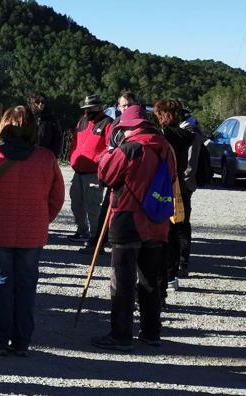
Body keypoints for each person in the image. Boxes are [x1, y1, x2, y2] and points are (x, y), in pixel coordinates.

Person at [0, 106, 64, 357]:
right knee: (26, 285)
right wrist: (42, 219)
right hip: (32, 232)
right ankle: (21, 341)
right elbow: (57, 197)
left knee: (1, 284)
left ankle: (0, 338)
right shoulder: (46, 158)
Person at [92, 105, 176, 352]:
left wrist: (111, 151)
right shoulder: (165, 147)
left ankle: (121, 335)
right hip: (157, 220)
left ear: (128, 127)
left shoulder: (130, 148)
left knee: (123, 281)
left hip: (128, 219)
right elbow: (171, 179)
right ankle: (151, 332)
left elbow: (105, 175)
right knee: (151, 280)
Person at [153, 99, 197, 287]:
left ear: (163, 114)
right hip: (181, 182)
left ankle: (168, 272)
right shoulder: (188, 133)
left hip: (165, 183)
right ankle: (179, 267)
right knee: (181, 226)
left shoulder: (164, 134)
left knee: (166, 229)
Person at [68, 95, 113, 249]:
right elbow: (74, 140)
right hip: (78, 170)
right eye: (86, 109)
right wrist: (72, 156)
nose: (87, 111)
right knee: (76, 202)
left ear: (100, 107)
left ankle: (96, 237)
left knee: (93, 205)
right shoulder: (82, 121)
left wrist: (99, 160)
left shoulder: (108, 123)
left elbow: (110, 148)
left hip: (94, 172)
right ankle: (82, 231)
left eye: (91, 108)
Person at [26, 91, 63, 159]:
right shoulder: (26, 117)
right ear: (32, 103)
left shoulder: (51, 119)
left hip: (45, 157)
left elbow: (58, 139)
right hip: (28, 156)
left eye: (43, 102)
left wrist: (53, 156)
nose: (40, 104)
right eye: (37, 101)